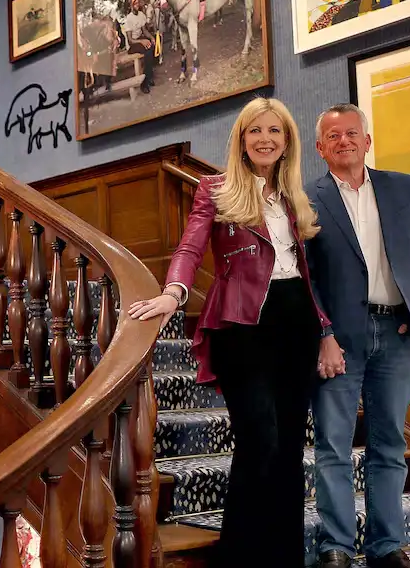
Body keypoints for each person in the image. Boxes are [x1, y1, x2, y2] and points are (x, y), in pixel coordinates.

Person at [127, 97, 330, 567]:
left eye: (274, 131)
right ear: (241, 139)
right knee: (259, 438)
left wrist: (324, 330)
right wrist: (173, 294)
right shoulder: (215, 190)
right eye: (255, 130)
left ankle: (284, 557)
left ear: (287, 142)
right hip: (242, 325)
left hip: (294, 322)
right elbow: (191, 246)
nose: (265, 139)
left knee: (289, 449)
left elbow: (303, 273)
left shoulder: (293, 196)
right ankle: (242, 555)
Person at [306, 104, 410, 568]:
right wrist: (323, 333)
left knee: (388, 444)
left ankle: (386, 547)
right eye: (334, 137)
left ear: (368, 141)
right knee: (333, 445)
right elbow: (305, 278)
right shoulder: (306, 198)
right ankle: (336, 547)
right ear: (320, 148)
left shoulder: (404, 188)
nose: (344, 142)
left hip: (397, 333)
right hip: (338, 343)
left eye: (352, 133)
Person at [119, 0, 157, 94]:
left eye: (138, 3)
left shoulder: (141, 15)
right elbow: (130, 40)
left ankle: (149, 75)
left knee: (152, 44)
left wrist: (151, 38)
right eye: (134, 4)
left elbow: (144, 31)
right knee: (148, 49)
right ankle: (145, 82)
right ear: (131, 6)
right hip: (133, 44)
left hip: (140, 38)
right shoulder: (129, 19)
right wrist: (142, 41)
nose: (137, 5)